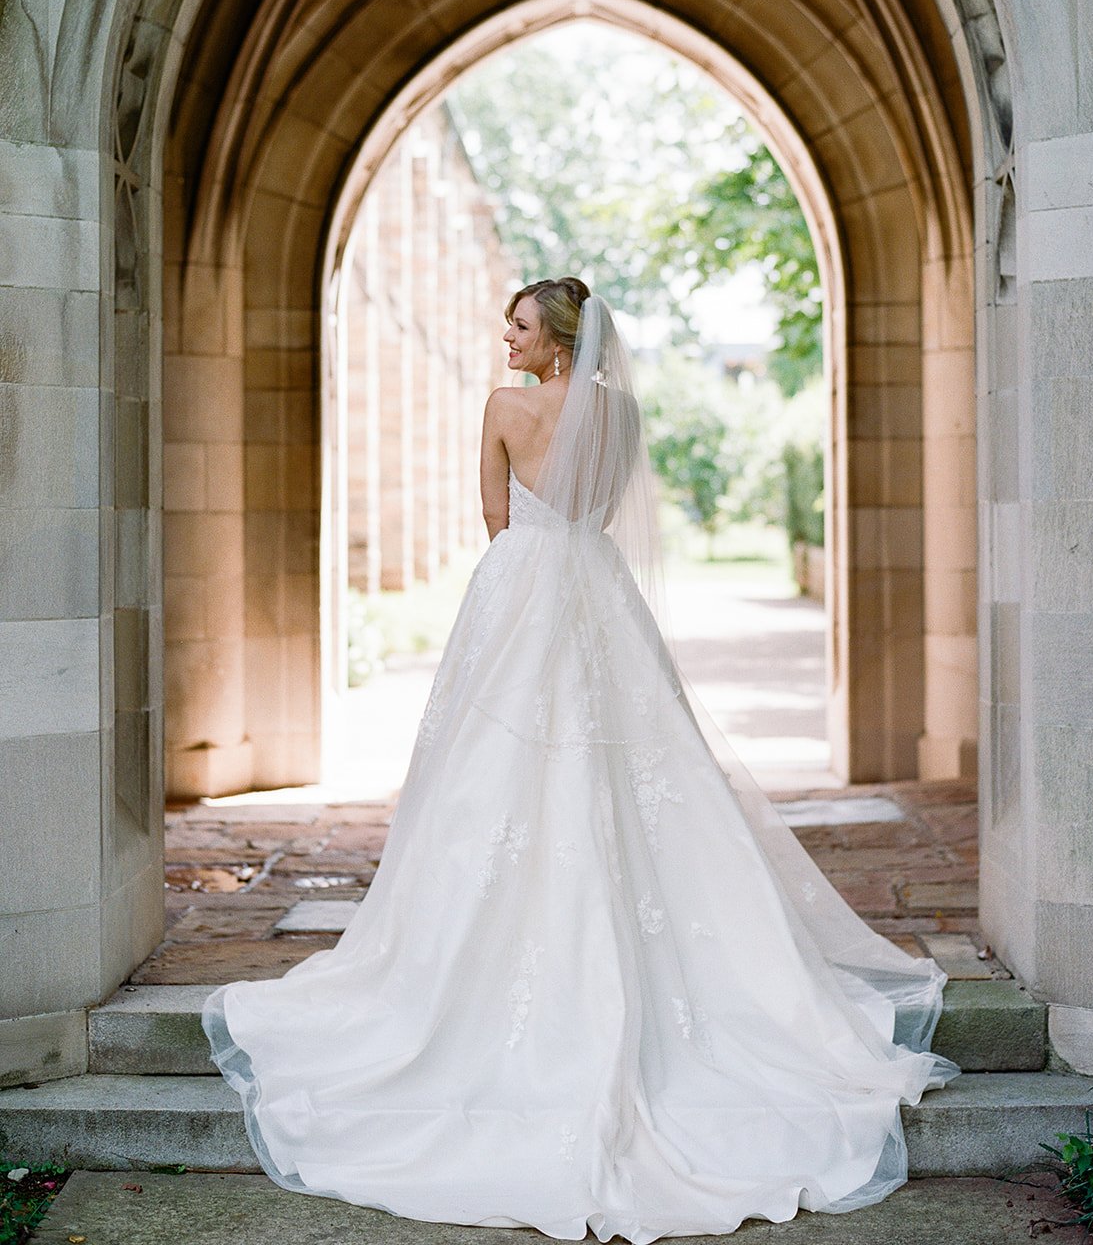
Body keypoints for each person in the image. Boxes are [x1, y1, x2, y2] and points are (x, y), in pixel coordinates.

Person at [202, 275, 959, 1243]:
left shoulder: (504, 409)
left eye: (516, 325)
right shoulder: (622, 414)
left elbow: (494, 517)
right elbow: (601, 514)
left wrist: (525, 581)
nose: (502, 337)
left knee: (493, 776)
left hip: (520, 589)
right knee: (634, 773)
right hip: (597, 594)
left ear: (556, 341)